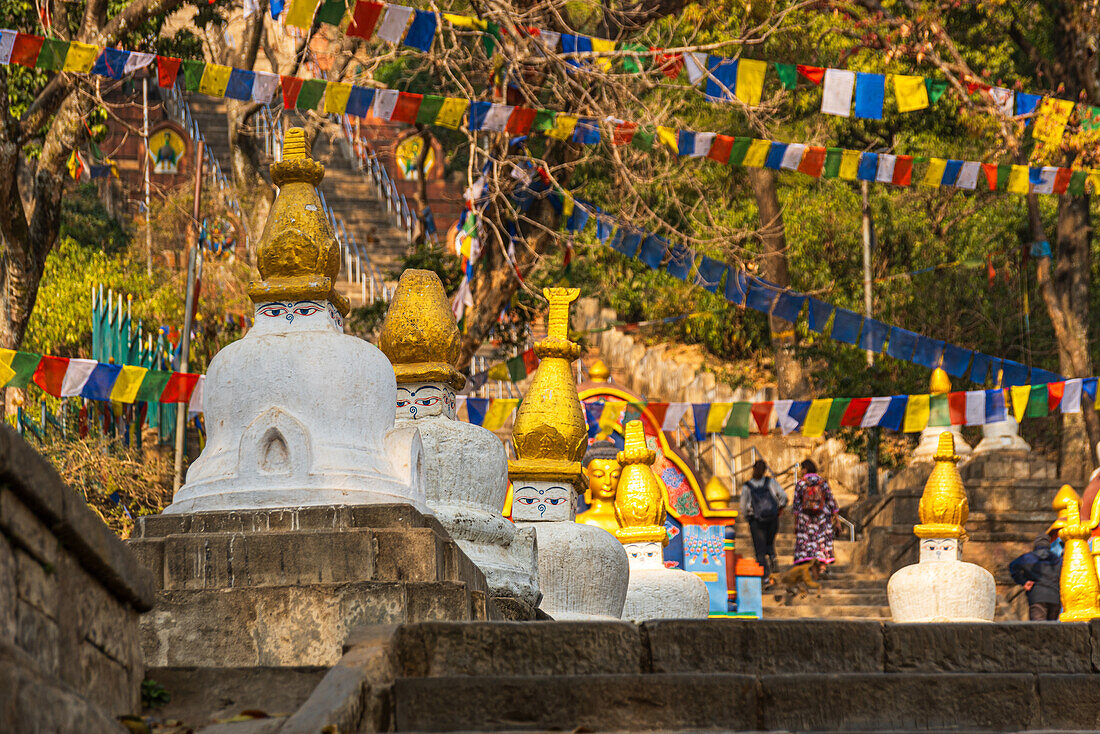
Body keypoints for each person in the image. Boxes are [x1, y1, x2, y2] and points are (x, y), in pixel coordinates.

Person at [739, 459, 788, 580]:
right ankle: (772, 556)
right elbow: (784, 497)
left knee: (759, 550)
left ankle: (765, 577)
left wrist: (747, 517)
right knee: (769, 542)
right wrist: (779, 509)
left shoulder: (747, 486)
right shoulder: (770, 482)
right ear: (765, 471)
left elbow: (743, 506)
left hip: (756, 521)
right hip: (772, 518)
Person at [792, 459, 841, 568]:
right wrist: (837, 520)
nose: (801, 471)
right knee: (820, 542)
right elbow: (831, 501)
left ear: (805, 469)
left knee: (806, 540)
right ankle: (822, 565)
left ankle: (806, 564)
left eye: (802, 468)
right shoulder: (822, 482)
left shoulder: (801, 483)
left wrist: (795, 523)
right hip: (822, 517)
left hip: (805, 518)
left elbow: (796, 505)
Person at [1009, 536, 1062, 621]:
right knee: (1053, 629)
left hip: (1037, 596)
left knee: (1038, 628)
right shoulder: (1058, 559)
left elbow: (1013, 566)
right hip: (1055, 597)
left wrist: (1023, 581)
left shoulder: (1027, 558)